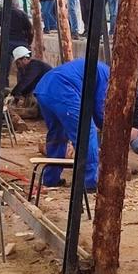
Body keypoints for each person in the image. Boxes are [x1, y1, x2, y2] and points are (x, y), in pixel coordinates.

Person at [33, 59, 109, 191]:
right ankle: (90, 182)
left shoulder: (100, 68)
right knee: (86, 131)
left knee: (57, 134)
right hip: (63, 90)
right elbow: (99, 108)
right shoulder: (108, 76)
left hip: (43, 89)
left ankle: (51, 179)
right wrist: (107, 129)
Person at [0, 1, 33, 72]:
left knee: (4, 71)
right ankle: (23, 82)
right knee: (23, 69)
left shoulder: (0, 14)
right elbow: (30, 30)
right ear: (17, 5)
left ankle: (4, 83)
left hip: (6, 43)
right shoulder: (22, 14)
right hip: (21, 42)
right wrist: (28, 43)